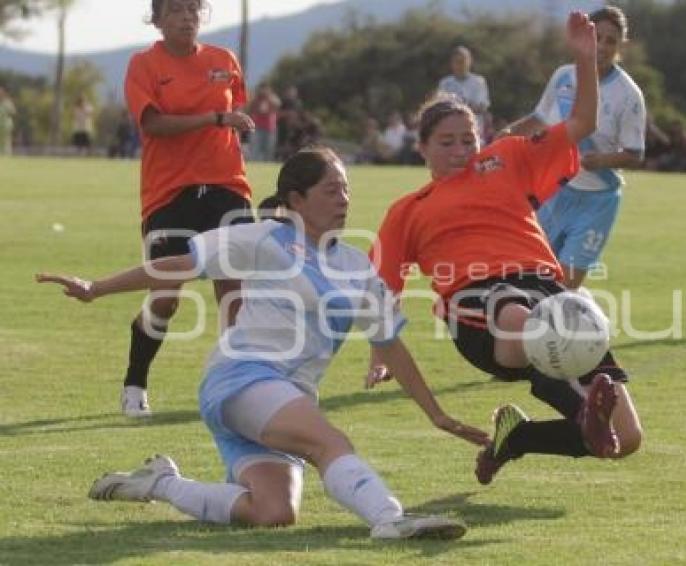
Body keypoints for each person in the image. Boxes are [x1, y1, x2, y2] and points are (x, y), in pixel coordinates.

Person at [36, 147, 485, 538]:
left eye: (345, 188)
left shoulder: (356, 266)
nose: (344, 198)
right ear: (296, 200)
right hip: (241, 379)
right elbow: (178, 264)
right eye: (331, 190)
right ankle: (391, 518)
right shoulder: (265, 238)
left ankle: (160, 483)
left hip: (285, 400)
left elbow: (390, 346)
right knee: (331, 443)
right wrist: (96, 287)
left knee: (273, 512)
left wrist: (437, 414)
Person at [369, 13, 642, 487]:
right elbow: (382, 294)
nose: (460, 150)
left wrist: (582, 58)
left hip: (547, 287)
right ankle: (585, 411)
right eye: (446, 142)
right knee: (518, 315)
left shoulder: (508, 158)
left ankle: (518, 438)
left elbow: (581, 122)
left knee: (626, 439)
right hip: (477, 300)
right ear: (421, 148)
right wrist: (379, 353)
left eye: (468, 140)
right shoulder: (407, 210)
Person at [118, 0, 256, 417]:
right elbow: (153, 124)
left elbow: (236, 112)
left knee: (234, 292)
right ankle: (135, 380)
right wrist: (215, 118)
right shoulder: (144, 64)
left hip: (227, 188)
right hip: (169, 194)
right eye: (175, 10)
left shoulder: (223, 60)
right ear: (158, 20)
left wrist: (232, 122)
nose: (186, 17)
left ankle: (234, 389)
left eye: (193, 9)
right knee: (166, 299)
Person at [499, 6, 646, 288]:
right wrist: (507, 135)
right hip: (553, 191)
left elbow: (635, 153)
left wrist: (602, 160)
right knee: (530, 276)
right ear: (585, 37)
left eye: (610, 40)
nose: (601, 46)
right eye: (597, 37)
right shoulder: (563, 76)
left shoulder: (628, 95)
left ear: (620, 46)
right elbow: (540, 118)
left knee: (563, 287)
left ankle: (571, 322)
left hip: (596, 202)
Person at [437, 45, 491, 141]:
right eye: (457, 61)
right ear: (452, 63)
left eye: (463, 61)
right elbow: (441, 107)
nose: (460, 64)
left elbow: (481, 107)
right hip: (451, 132)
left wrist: (457, 105)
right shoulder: (445, 83)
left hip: (473, 131)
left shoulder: (478, 82)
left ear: (469, 62)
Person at [248, 83, 281, 161]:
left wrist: (268, 97)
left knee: (269, 150)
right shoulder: (256, 99)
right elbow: (250, 108)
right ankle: (255, 166)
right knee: (255, 150)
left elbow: (278, 104)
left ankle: (268, 165)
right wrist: (257, 98)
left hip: (270, 128)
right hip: (257, 128)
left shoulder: (272, 98)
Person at [0, 87, 15, 156]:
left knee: (6, 141)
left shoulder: (7, 102)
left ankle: (7, 155)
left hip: (6, 125)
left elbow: (13, 112)